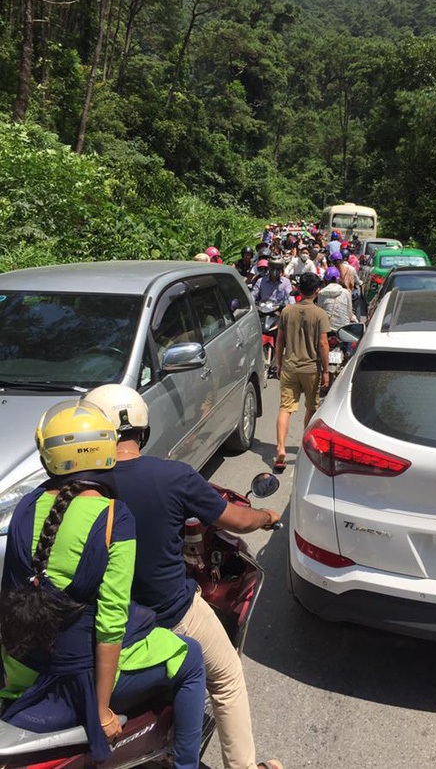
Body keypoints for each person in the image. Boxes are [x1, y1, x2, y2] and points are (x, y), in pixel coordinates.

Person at [84, 385, 283, 769]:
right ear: (141, 429)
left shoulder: (82, 488)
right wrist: (266, 516)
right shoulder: (173, 475)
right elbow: (238, 520)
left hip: (107, 626)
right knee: (226, 679)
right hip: (173, 615)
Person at [0, 400, 206, 769]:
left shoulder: (26, 507)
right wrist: (101, 710)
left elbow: (11, 595)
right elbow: (110, 622)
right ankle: (186, 765)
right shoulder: (114, 518)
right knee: (190, 657)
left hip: (22, 667)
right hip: (74, 677)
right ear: (107, 450)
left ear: (48, 455)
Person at [274, 272, 330, 471]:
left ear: (300, 289)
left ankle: (280, 448)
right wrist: (326, 370)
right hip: (311, 368)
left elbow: (279, 341)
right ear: (317, 291)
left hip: (290, 366)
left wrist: (279, 363)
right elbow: (323, 344)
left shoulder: (287, 311)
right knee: (311, 408)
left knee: (285, 408)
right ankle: (305, 449)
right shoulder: (320, 314)